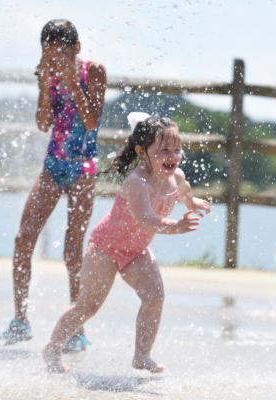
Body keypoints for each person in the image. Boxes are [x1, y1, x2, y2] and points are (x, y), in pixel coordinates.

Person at [43, 112, 211, 373]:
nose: (172, 156)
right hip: (105, 249)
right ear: (142, 152)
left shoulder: (176, 177)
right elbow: (145, 219)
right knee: (88, 306)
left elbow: (184, 192)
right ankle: (52, 350)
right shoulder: (136, 182)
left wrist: (193, 203)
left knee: (155, 296)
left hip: (136, 251)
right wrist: (176, 227)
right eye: (164, 150)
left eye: (177, 150)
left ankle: (142, 355)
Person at [0, 19, 106, 352]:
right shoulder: (48, 75)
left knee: (73, 249)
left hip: (83, 168)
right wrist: (45, 84)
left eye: (61, 54)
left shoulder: (93, 71)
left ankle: (77, 328)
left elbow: (90, 122)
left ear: (77, 48)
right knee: (23, 237)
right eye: (48, 54)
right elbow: (44, 124)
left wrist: (72, 82)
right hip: (53, 165)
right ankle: (20, 321)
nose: (55, 60)